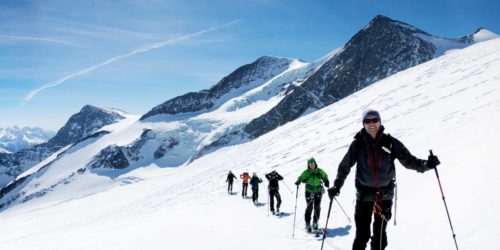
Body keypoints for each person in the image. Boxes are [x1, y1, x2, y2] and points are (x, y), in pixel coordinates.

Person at [327, 109, 440, 250]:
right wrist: (337, 186)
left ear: (380, 122)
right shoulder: (357, 145)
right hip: (364, 197)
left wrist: (427, 164)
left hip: (384, 196)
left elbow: (409, 161)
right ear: (363, 124)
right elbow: (345, 166)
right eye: (367, 121)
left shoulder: (391, 143)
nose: (371, 123)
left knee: (380, 238)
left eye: (374, 120)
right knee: (362, 236)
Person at [295, 158, 329, 232]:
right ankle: (307, 223)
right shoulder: (306, 172)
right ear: (308, 165)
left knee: (317, 207)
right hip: (309, 192)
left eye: (313, 163)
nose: (312, 165)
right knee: (309, 207)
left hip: (318, 191)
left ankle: (315, 223)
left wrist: (326, 181)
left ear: (315, 163)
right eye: (310, 164)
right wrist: (298, 181)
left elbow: (325, 176)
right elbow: (301, 177)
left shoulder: (319, 171)